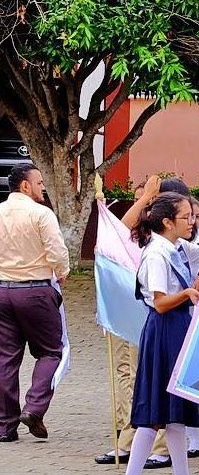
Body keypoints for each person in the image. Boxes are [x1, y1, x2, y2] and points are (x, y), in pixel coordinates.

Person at [125, 192, 199, 475]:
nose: (192, 222)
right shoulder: (156, 253)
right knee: (154, 412)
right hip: (164, 331)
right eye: (186, 217)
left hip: (177, 328)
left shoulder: (177, 247)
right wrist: (188, 293)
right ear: (167, 221)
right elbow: (161, 303)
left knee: (175, 414)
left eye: (193, 216)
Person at [0, 164, 70, 442]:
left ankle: (4, 426)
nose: (43, 187)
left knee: (5, 358)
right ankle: (34, 407)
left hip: (3, 291)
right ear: (25, 186)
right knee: (51, 351)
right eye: (39, 182)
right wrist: (62, 271)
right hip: (35, 290)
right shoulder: (41, 213)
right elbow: (57, 250)